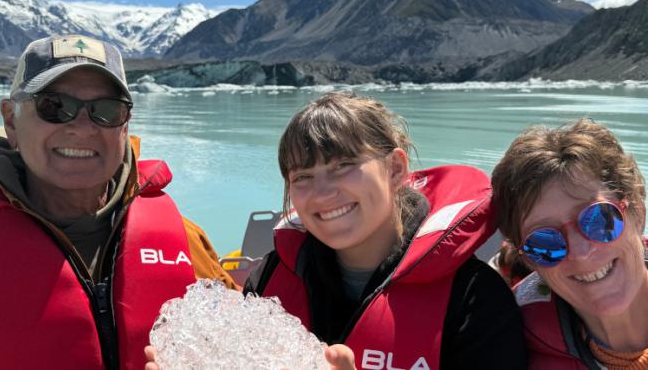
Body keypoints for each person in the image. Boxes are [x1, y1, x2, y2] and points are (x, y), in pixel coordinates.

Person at [0, 34, 235, 370]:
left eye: (106, 110)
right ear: (11, 120)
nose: (82, 128)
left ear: (125, 125)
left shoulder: (184, 240)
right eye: (54, 106)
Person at [243, 92, 526, 369]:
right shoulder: (268, 281)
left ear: (395, 168)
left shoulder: (474, 300)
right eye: (303, 177)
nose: (322, 194)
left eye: (343, 166)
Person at [491, 119, 648, 369]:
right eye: (544, 242)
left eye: (598, 219)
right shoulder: (509, 344)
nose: (581, 253)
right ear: (528, 259)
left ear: (638, 213)